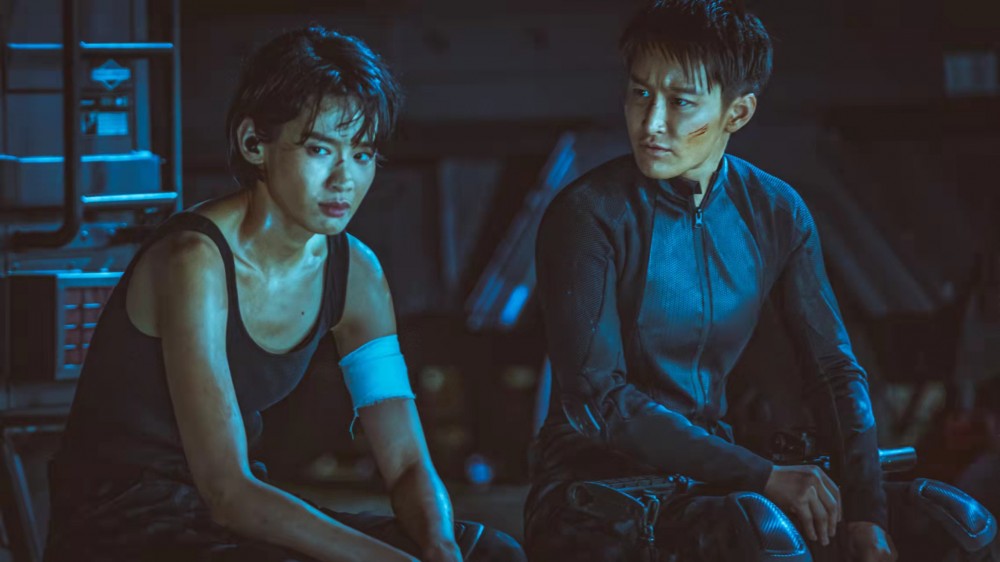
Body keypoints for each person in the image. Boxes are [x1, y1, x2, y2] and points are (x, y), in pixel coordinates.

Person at [524, 1, 998, 561]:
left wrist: (867, 512)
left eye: (680, 102)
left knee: (952, 521)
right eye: (640, 93)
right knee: (758, 531)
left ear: (738, 112)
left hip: (712, 480)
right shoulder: (587, 215)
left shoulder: (775, 211)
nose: (651, 123)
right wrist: (763, 475)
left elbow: (833, 371)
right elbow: (600, 399)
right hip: (592, 491)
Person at [45, 25, 525, 562]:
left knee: (491, 553)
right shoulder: (194, 261)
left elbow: (407, 462)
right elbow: (228, 492)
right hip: (124, 523)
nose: (344, 178)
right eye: (320, 149)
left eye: (362, 153)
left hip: (232, 519)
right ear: (255, 143)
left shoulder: (356, 274)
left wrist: (438, 546)